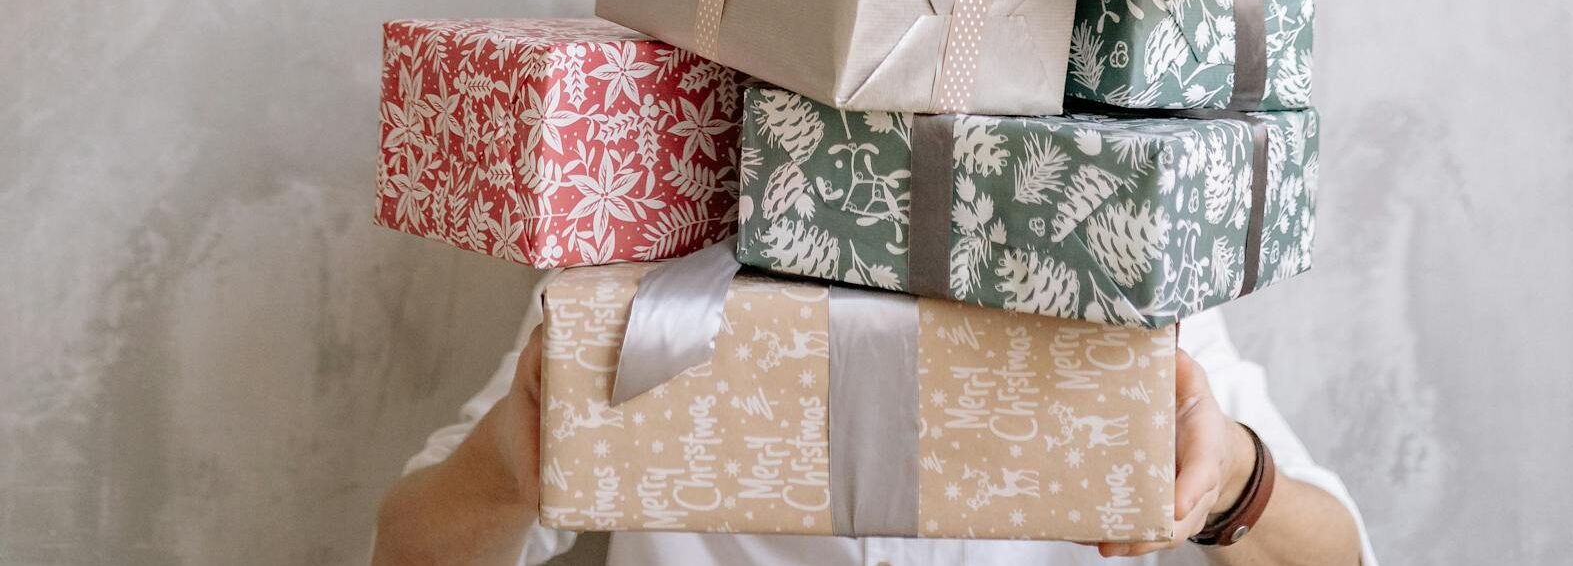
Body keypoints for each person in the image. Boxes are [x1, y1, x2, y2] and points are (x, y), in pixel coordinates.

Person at [373, 285, 1375, 566]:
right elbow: (409, 552)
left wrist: (1229, 483)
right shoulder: (654, 279)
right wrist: (514, 465)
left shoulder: (1112, 270)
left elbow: (1342, 558)